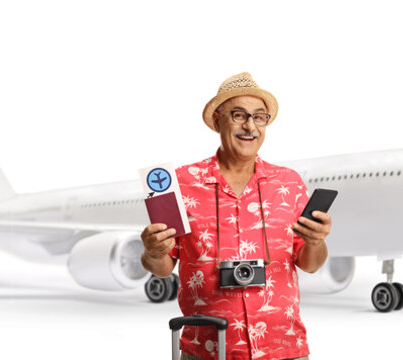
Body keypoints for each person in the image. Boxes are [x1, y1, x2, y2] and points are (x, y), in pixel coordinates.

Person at [141, 72, 332, 360]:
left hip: (283, 348)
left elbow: (311, 264)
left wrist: (316, 243)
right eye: (239, 115)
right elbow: (162, 268)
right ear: (217, 120)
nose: (250, 126)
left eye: (259, 117)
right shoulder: (177, 182)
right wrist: (153, 251)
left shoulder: (289, 183)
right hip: (206, 350)